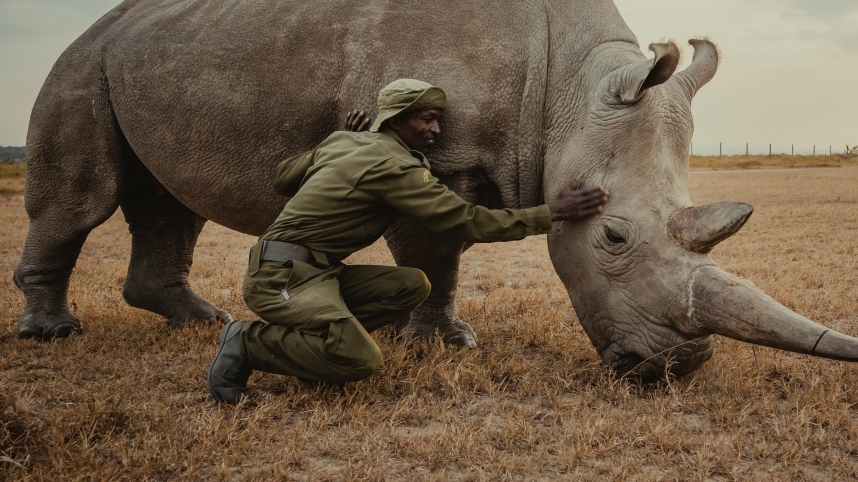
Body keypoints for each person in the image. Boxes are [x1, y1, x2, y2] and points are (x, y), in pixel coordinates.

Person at [207, 78, 609, 404]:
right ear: (396, 121)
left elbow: (283, 178)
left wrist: (336, 141)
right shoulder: (395, 165)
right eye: (426, 119)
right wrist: (554, 212)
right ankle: (246, 341)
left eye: (438, 121)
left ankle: (315, 353)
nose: (436, 130)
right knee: (360, 358)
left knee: (412, 285)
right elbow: (468, 222)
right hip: (280, 277)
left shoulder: (346, 141)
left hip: (316, 271)